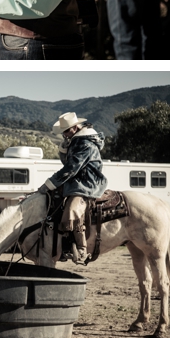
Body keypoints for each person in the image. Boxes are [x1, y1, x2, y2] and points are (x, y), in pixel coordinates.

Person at [38, 112, 107, 264]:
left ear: (75, 127)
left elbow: (71, 167)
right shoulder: (76, 140)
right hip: (76, 181)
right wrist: (64, 149)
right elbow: (67, 164)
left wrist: (49, 184)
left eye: (67, 131)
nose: (65, 134)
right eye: (63, 132)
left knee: (71, 210)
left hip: (86, 183)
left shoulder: (85, 143)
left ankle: (81, 249)